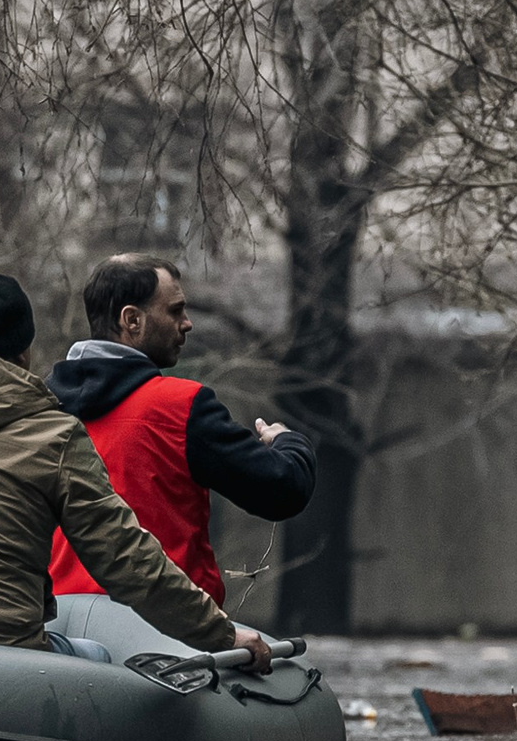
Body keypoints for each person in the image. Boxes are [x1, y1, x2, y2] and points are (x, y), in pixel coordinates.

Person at [0, 271, 273, 669]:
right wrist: (220, 632)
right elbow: (126, 560)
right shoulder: (54, 435)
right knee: (97, 658)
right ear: (25, 350)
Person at [46, 255, 315, 604]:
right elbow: (282, 488)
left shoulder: (43, 410)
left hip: (63, 626)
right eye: (175, 311)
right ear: (132, 320)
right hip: (167, 630)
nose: (187, 324)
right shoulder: (180, 407)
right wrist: (288, 442)